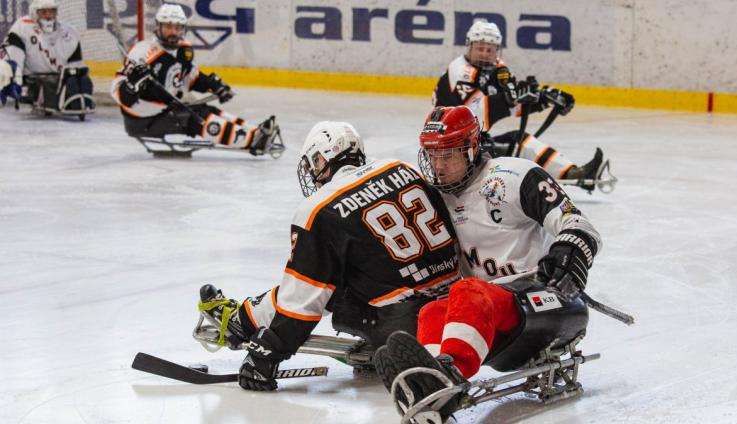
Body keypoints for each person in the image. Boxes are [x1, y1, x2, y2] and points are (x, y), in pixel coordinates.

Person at [194, 121, 461, 391]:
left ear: (321, 158)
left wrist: (269, 352)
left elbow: (302, 299)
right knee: (349, 265)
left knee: (316, 278)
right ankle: (246, 316)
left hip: (399, 325)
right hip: (452, 307)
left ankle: (241, 320)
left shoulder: (320, 207)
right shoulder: (401, 168)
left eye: (313, 163)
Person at [374, 105, 603, 421]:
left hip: (549, 298)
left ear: (471, 148)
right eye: (433, 156)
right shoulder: (433, 197)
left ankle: (447, 376)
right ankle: (428, 385)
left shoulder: (514, 176)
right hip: (495, 316)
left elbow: (579, 225)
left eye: (449, 156)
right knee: (433, 310)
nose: (438, 167)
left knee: (468, 291)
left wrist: (569, 252)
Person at [432, 20, 604, 190]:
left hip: (472, 143)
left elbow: (515, 102)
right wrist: (509, 99)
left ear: (497, 50)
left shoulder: (499, 70)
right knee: (511, 148)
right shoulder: (461, 71)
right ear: (469, 47)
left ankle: (574, 173)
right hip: (448, 151)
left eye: (489, 50)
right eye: (480, 48)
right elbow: (474, 114)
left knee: (521, 141)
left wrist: (544, 98)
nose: (484, 54)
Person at [111, 4, 279, 156]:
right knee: (195, 118)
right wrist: (132, 85)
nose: (173, 32)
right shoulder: (142, 53)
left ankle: (255, 130)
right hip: (142, 119)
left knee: (207, 109)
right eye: (168, 27)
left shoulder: (184, 49)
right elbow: (119, 92)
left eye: (177, 27)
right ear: (159, 26)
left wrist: (214, 86)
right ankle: (252, 140)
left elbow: (189, 78)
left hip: (165, 109)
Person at [0, 0, 95, 115]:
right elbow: (13, 56)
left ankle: (69, 98)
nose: (49, 16)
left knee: (82, 81)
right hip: (32, 77)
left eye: (52, 11)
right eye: (44, 12)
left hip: (60, 78)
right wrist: (15, 78)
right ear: (34, 13)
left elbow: (75, 65)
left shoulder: (70, 33)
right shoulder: (22, 26)